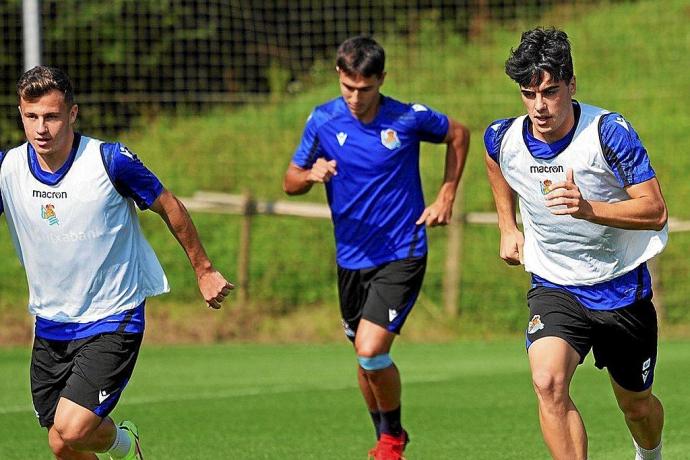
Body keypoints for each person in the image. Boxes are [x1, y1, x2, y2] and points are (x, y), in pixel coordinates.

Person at [0, 66, 233, 460]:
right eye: (31, 116)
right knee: (60, 441)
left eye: (52, 116)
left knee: (73, 427)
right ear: (21, 114)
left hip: (113, 314)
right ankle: (123, 448)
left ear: (72, 114)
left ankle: (124, 444)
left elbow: (169, 206)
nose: (41, 128)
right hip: (52, 321)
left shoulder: (109, 160)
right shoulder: (8, 169)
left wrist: (204, 269)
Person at [484, 27, 668, 460]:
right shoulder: (504, 136)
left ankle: (651, 453)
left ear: (571, 84)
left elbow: (655, 210)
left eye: (549, 92)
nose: (540, 106)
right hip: (555, 284)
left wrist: (588, 208)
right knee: (547, 382)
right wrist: (507, 227)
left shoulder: (608, 132)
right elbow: (494, 160)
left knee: (636, 406)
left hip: (619, 288)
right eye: (529, 94)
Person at [283, 35, 470, 459]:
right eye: (347, 87)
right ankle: (384, 438)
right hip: (351, 258)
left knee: (370, 348)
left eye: (364, 89)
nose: (354, 97)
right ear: (339, 77)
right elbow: (289, 181)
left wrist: (446, 196)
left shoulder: (407, 118)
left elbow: (459, 134)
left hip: (402, 251)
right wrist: (311, 175)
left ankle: (393, 438)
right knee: (364, 359)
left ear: (381, 80)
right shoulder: (322, 121)